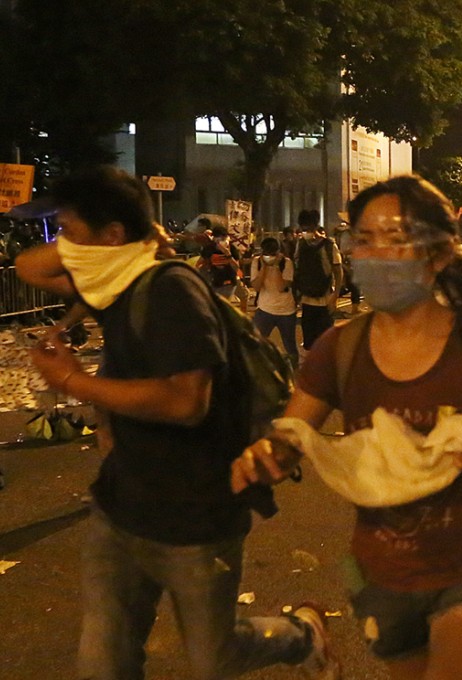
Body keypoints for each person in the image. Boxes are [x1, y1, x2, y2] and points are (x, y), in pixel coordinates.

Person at [231, 175, 462, 679]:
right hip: (383, 575)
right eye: (365, 240)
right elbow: (290, 438)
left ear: (435, 257)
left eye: (396, 240)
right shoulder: (338, 350)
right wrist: (263, 458)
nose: (375, 255)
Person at [14, 166, 338, 680]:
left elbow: (185, 401)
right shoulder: (112, 277)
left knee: (216, 658)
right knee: (103, 666)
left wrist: (72, 382)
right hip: (120, 507)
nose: (64, 245)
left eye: (71, 232)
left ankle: (301, 634)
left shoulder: (170, 291)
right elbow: (28, 266)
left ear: (112, 237)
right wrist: (110, 239)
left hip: (197, 515)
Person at [293, 209, 342, 350]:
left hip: (325, 300)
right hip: (307, 301)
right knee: (309, 343)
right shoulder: (301, 244)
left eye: (307, 229)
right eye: (302, 229)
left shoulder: (329, 245)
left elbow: (338, 272)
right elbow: (298, 269)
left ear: (315, 227)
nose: (304, 231)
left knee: (326, 342)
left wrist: (335, 298)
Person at [251, 236, 299, 367]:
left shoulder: (286, 263)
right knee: (257, 342)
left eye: (272, 253)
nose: (269, 256)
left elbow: (281, 287)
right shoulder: (257, 262)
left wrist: (276, 266)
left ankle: (295, 373)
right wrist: (264, 268)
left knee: (289, 345)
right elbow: (256, 286)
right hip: (264, 309)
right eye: (266, 253)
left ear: (278, 252)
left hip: (286, 311)